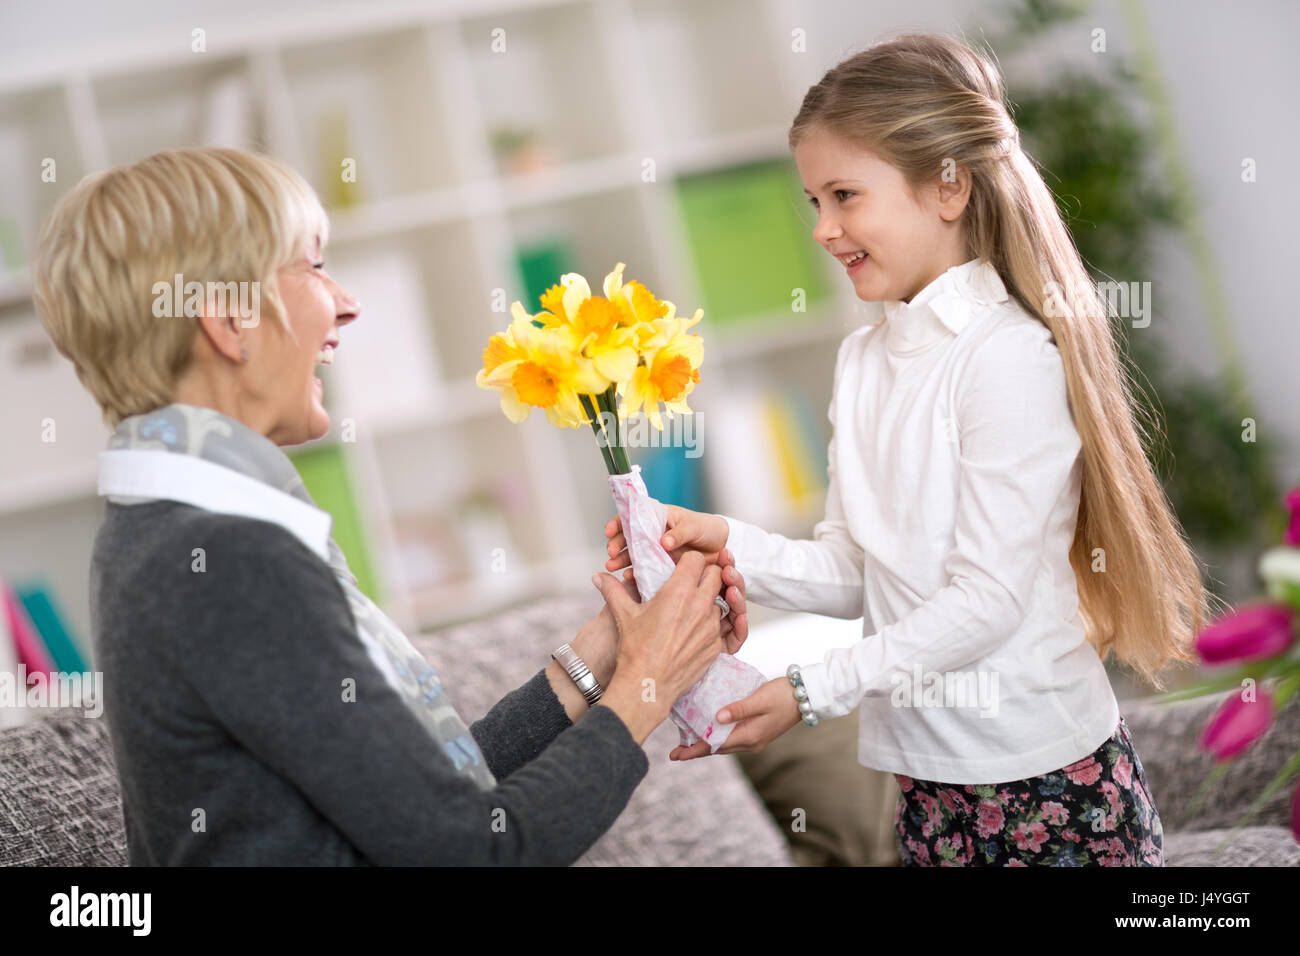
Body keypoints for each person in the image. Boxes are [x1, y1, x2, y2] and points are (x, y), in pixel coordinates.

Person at [33, 146, 749, 865]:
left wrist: (607, 652)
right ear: (231, 322)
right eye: (312, 267)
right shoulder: (229, 558)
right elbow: (469, 854)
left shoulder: (154, 530)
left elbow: (425, 809)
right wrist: (649, 683)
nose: (346, 302)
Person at [605, 33, 1219, 866]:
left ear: (948, 186)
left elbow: (986, 599)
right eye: (813, 201)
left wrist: (812, 690)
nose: (823, 228)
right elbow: (861, 568)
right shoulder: (863, 362)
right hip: (926, 785)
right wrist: (727, 541)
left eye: (845, 195)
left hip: (1044, 780)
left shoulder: (1005, 358)